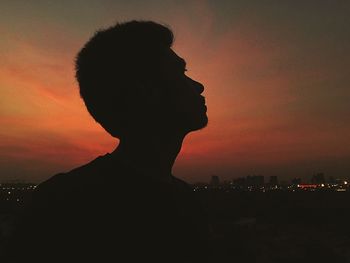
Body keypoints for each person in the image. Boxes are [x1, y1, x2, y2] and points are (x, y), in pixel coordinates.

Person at [5, 20, 210, 262]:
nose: (198, 86)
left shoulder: (186, 200)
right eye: (181, 73)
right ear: (146, 92)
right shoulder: (65, 206)